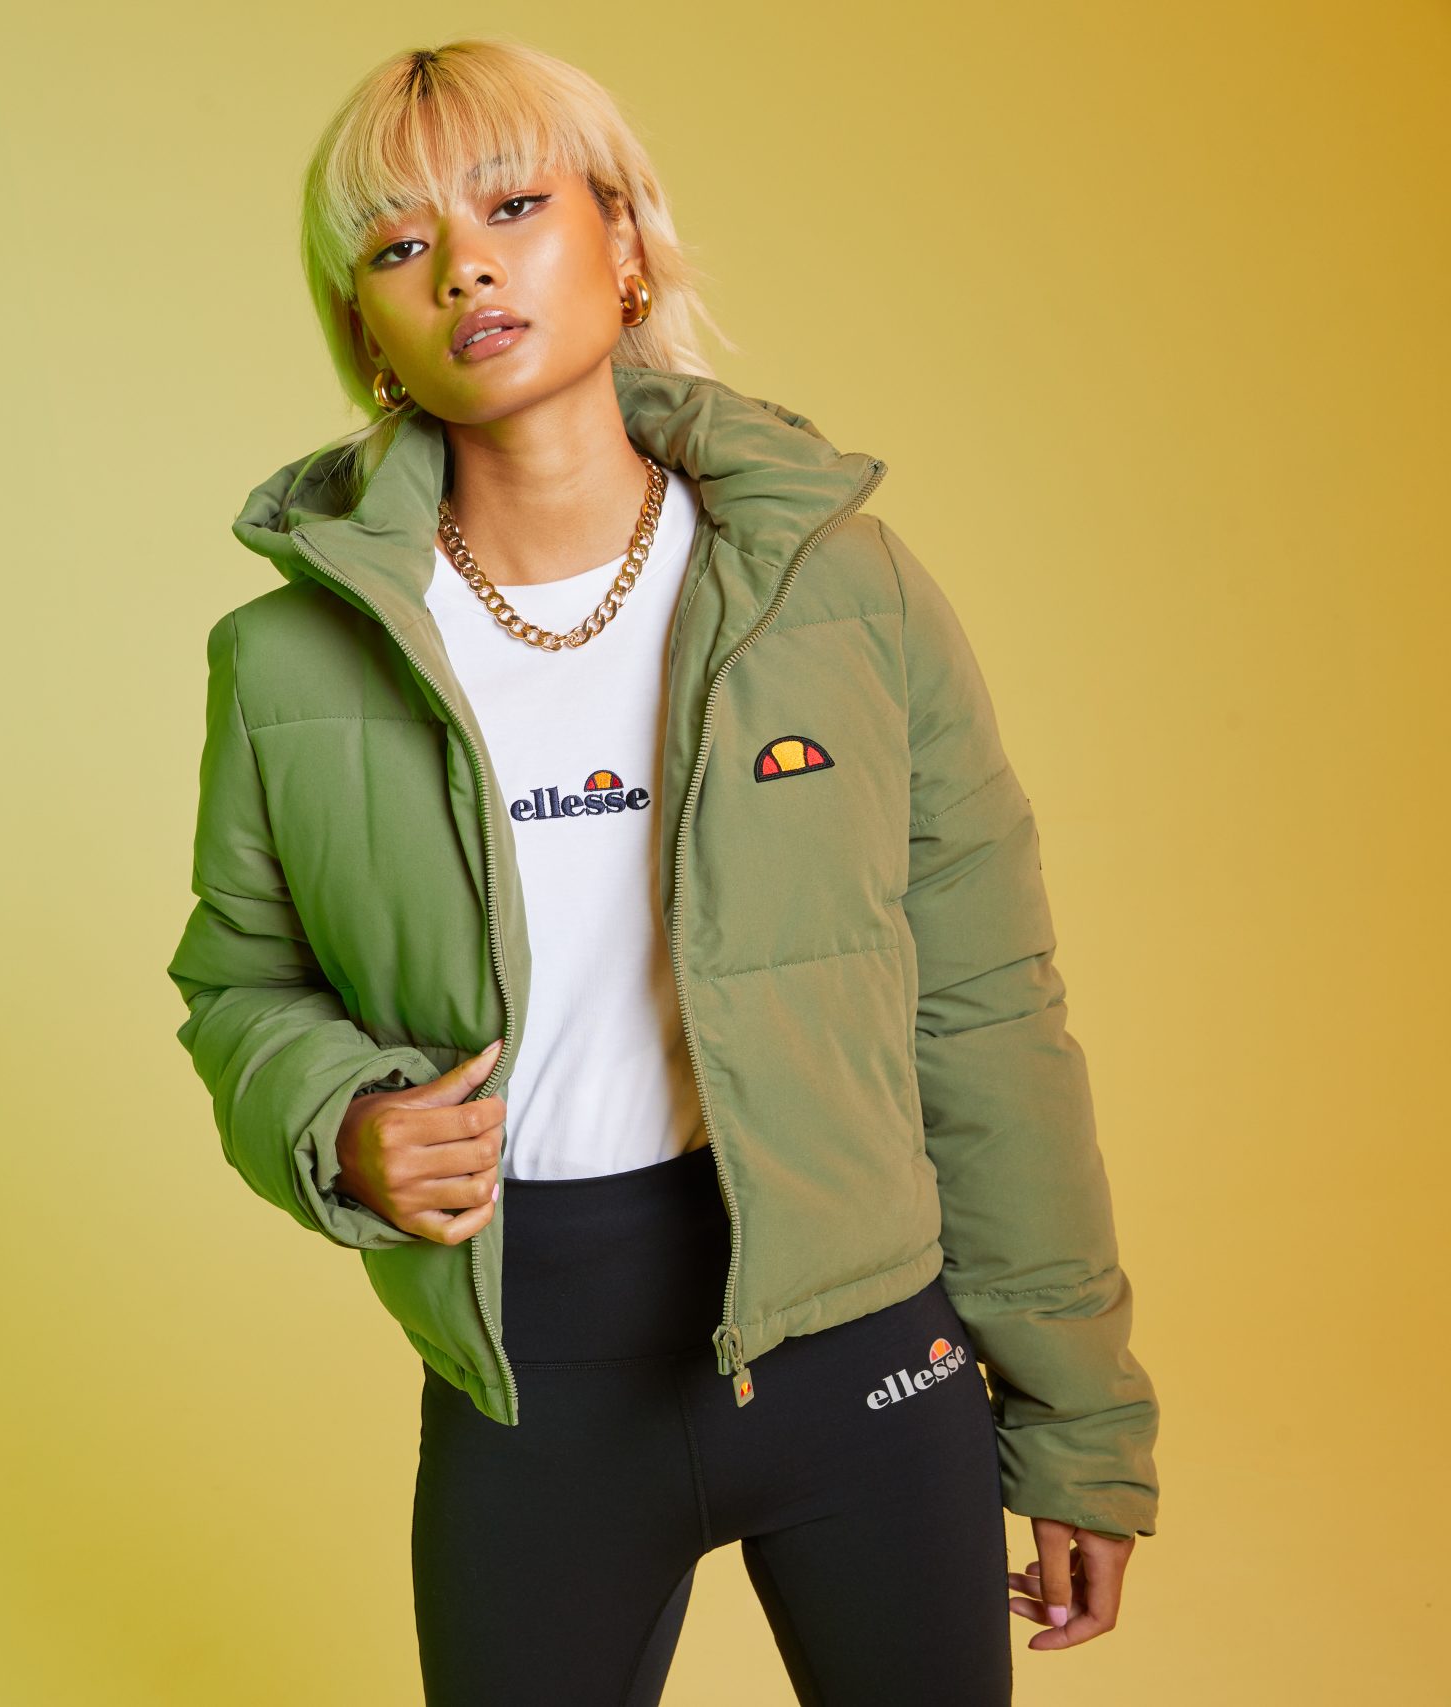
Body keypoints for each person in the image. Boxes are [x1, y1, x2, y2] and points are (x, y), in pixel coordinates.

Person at [163, 36, 1160, 1707]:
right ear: (369, 329)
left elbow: (990, 1010)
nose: (463, 265)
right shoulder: (287, 663)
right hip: (533, 1374)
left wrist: (1078, 1423)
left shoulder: (845, 590)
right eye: (401, 244)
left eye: (513, 205)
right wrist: (338, 1120)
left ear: (623, 240)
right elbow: (239, 983)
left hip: (865, 1354)